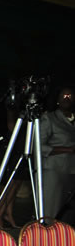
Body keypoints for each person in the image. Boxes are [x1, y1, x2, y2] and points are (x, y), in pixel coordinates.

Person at [39, 86, 75, 223]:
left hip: (71, 172)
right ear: (58, 100)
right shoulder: (49, 118)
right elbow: (38, 146)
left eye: (70, 95)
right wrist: (67, 149)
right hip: (54, 172)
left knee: (67, 215)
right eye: (64, 95)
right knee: (51, 212)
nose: (67, 98)